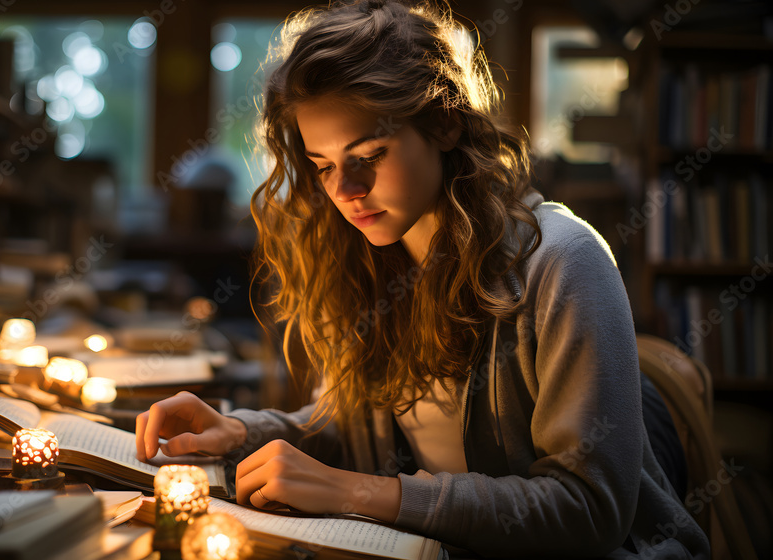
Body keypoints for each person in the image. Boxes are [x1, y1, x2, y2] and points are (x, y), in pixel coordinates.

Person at [135, 0, 709, 557]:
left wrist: (357, 491)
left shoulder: (563, 261)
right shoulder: (368, 261)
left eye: (371, 153)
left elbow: (590, 510)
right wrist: (239, 434)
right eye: (325, 166)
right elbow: (349, 426)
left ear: (444, 124)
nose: (346, 191)